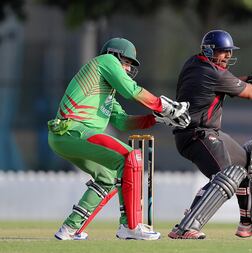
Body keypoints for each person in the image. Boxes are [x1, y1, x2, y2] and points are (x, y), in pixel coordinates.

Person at [48, 37, 190, 240]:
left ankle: (69, 229)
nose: (127, 69)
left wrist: (156, 119)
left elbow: (123, 122)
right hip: (73, 130)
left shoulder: (106, 91)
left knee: (106, 178)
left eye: (130, 66)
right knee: (131, 157)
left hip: (65, 137)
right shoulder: (105, 61)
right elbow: (131, 90)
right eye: (126, 63)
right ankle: (130, 226)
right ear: (114, 55)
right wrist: (165, 106)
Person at [168, 30, 252, 239]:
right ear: (209, 50)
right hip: (196, 135)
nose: (227, 56)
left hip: (206, 133)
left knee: (248, 159)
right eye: (223, 52)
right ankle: (186, 227)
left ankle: (249, 224)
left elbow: (228, 83)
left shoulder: (195, 63)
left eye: (229, 52)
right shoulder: (211, 72)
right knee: (228, 176)